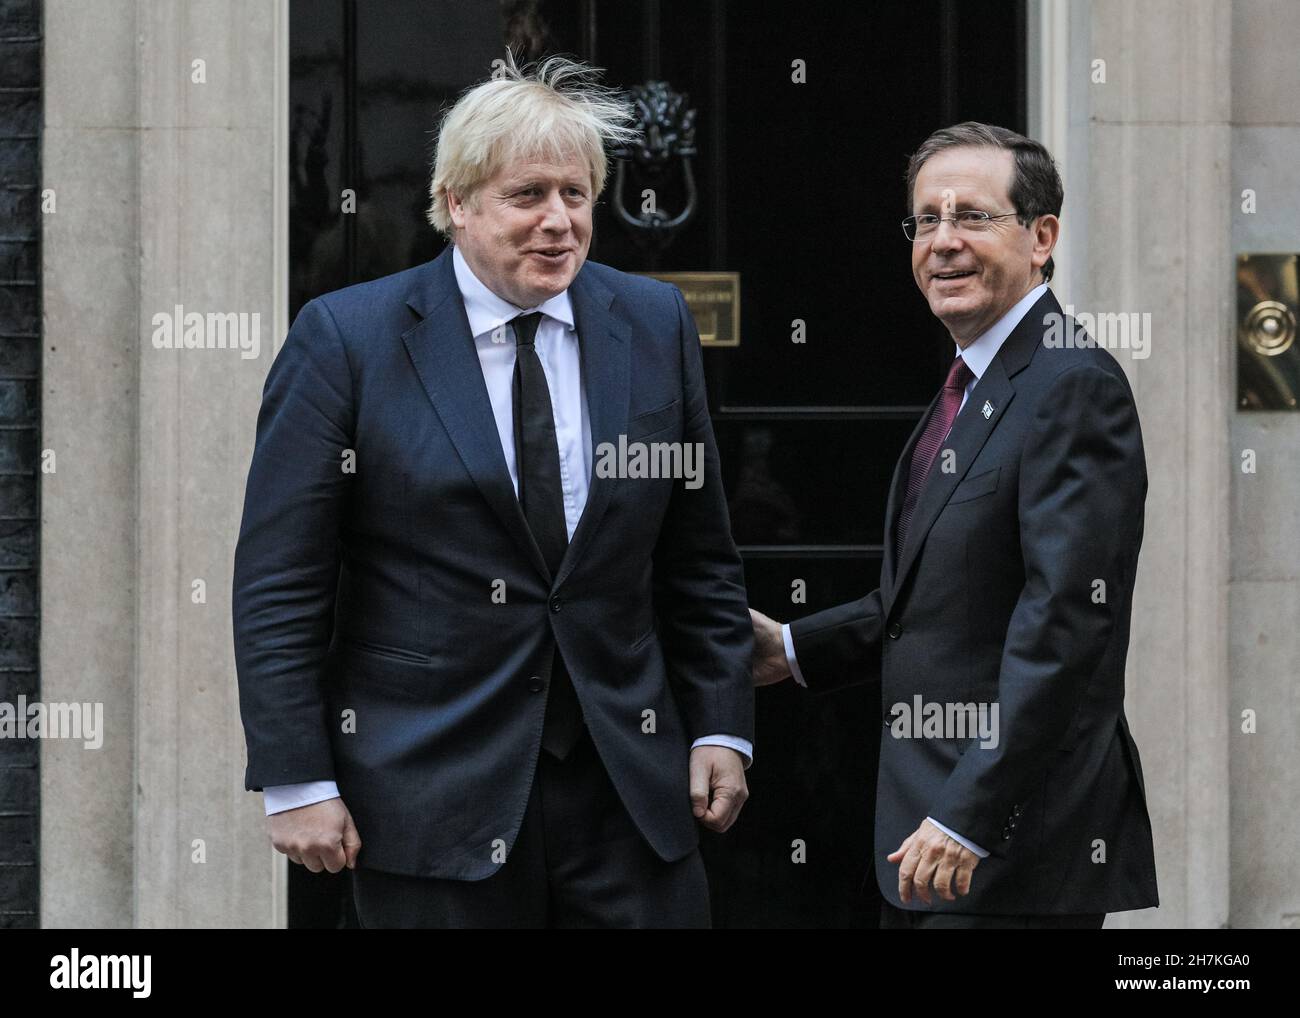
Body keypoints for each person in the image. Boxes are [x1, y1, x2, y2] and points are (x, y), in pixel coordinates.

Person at [232, 52, 754, 928]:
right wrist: (297, 778)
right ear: (455, 205)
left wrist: (719, 728)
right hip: (428, 794)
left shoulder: (654, 322)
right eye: (528, 196)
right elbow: (281, 579)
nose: (559, 222)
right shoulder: (346, 340)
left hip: (628, 790)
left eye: (577, 196)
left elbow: (698, 558)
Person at [750, 122, 1158, 929]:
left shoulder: (1071, 385)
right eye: (926, 220)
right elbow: (942, 601)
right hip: (929, 837)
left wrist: (972, 813)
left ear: (1043, 238)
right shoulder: (977, 382)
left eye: (972, 217)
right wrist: (794, 649)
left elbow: (1065, 625)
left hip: (1006, 845)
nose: (943, 242)